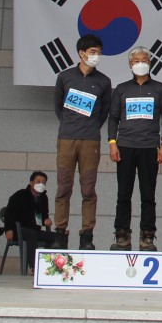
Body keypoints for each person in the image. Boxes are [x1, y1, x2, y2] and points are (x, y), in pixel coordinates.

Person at [108, 46, 162, 252]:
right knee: (123, 194)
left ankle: (147, 236)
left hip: (149, 147)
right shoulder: (121, 89)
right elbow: (113, 118)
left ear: (150, 63)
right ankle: (122, 235)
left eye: (144, 60)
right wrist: (112, 143)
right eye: (136, 61)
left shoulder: (160, 88)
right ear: (130, 64)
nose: (140, 63)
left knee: (148, 194)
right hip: (125, 146)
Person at [52, 33, 112, 250]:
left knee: (88, 190)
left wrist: (90, 127)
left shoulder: (103, 81)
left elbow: (104, 111)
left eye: (99, 53)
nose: (96, 56)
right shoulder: (65, 77)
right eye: (92, 52)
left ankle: (87, 235)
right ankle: (60, 233)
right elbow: (58, 107)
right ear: (81, 53)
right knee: (63, 187)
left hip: (90, 140)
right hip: (67, 138)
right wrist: (70, 124)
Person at [4, 171, 64, 269]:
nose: (41, 184)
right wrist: (8, 229)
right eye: (38, 181)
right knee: (31, 234)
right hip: (19, 230)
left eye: (43, 182)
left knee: (56, 237)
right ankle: (34, 266)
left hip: (35, 230)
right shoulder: (20, 195)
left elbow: (44, 215)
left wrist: (46, 220)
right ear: (31, 183)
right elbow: (9, 213)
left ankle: (51, 265)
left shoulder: (43, 198)